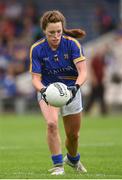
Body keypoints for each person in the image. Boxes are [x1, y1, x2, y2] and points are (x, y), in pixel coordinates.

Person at [29, 10, 87, 175]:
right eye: (51, 33)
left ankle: (73, 159)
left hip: (71, 90)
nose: (55, 36)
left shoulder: (72, 44)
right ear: (44, 31)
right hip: (48, 90)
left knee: (73, 135)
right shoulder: (37, 49)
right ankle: (57, 166)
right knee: (52, 124)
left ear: (63, 29)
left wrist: (75, 88)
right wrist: (44, 91)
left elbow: (83, 71)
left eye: (59, 32)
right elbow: (35, 79)